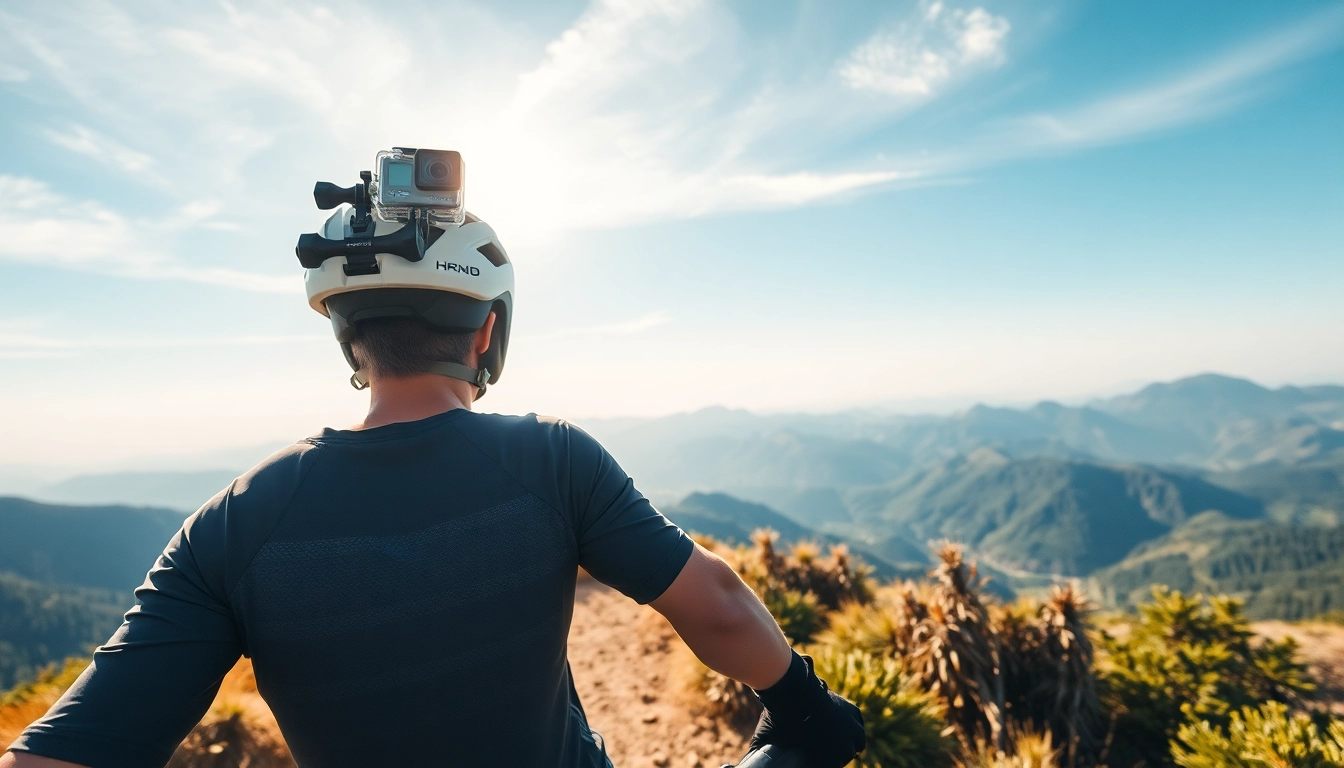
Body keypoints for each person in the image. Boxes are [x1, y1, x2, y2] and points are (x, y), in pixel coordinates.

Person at [3, 203, 864, 768]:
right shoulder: (552, 459)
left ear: (350, 341)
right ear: (489, 329)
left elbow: (55, 757)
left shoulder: (233, 523)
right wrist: (805, 708)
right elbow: (712, 599)